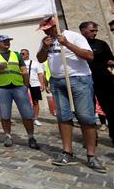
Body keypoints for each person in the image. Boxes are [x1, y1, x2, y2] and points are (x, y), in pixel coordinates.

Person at [37, 17, 105, 173]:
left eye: (49, 29)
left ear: (56, 26)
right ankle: (67, 152)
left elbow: (89, 56)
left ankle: (91, 155)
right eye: (44, 30)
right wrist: (45, 48)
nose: (47, 32)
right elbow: (40, 58)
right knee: (63, 117)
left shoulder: (74, 36)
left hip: (79, 79)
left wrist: (67, 44)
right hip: (57, 81)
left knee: (86, 117)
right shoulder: (46, 40)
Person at [0, 35, 39, 149]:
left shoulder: (16, 54)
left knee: (27, 114)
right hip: (3, 88)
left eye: (8, 41)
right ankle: (8, 136)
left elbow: (24, 70)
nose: (7, 43)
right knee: (5, 114)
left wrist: (26, 86)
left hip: (19, 87)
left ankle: (31, 137)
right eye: (5, 41)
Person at [79, 21, 114, 147]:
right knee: (87, 111)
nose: (95, 33)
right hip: (84, 81)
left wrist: (110, 62)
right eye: (92, 30)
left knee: (110, 108)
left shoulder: (101, 44)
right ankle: (91, 138)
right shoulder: (77, 45)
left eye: (96, 31)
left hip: (104, 80)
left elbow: (110, 58)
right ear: (83, 31)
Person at [20, 49, 45, 126]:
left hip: (34, 84)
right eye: (20, 53)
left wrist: (42, 84)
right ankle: (27, 117)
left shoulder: (35, 63)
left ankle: (35, 118)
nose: (21, 55)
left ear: (28, 54)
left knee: (35, 102)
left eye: (23, 53)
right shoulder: (19, 63)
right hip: (23, 84)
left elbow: (40, 74)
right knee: (23, 102)